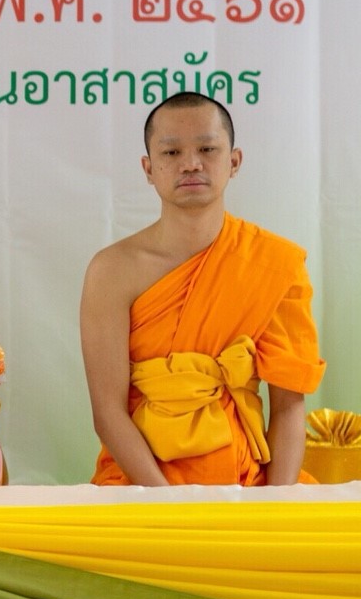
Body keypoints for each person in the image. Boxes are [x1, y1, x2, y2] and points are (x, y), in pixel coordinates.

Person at [80, 92, 324, 486]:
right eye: (171, 152)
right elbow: (108, 413)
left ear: (234, 162)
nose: (191, 163)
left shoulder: (274, 265)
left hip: (248, 485)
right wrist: (168, 504)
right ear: (148, 168)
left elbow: (288, 408)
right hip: (139, 486)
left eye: (207, 149)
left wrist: (274, 505)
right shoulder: (111, 271)